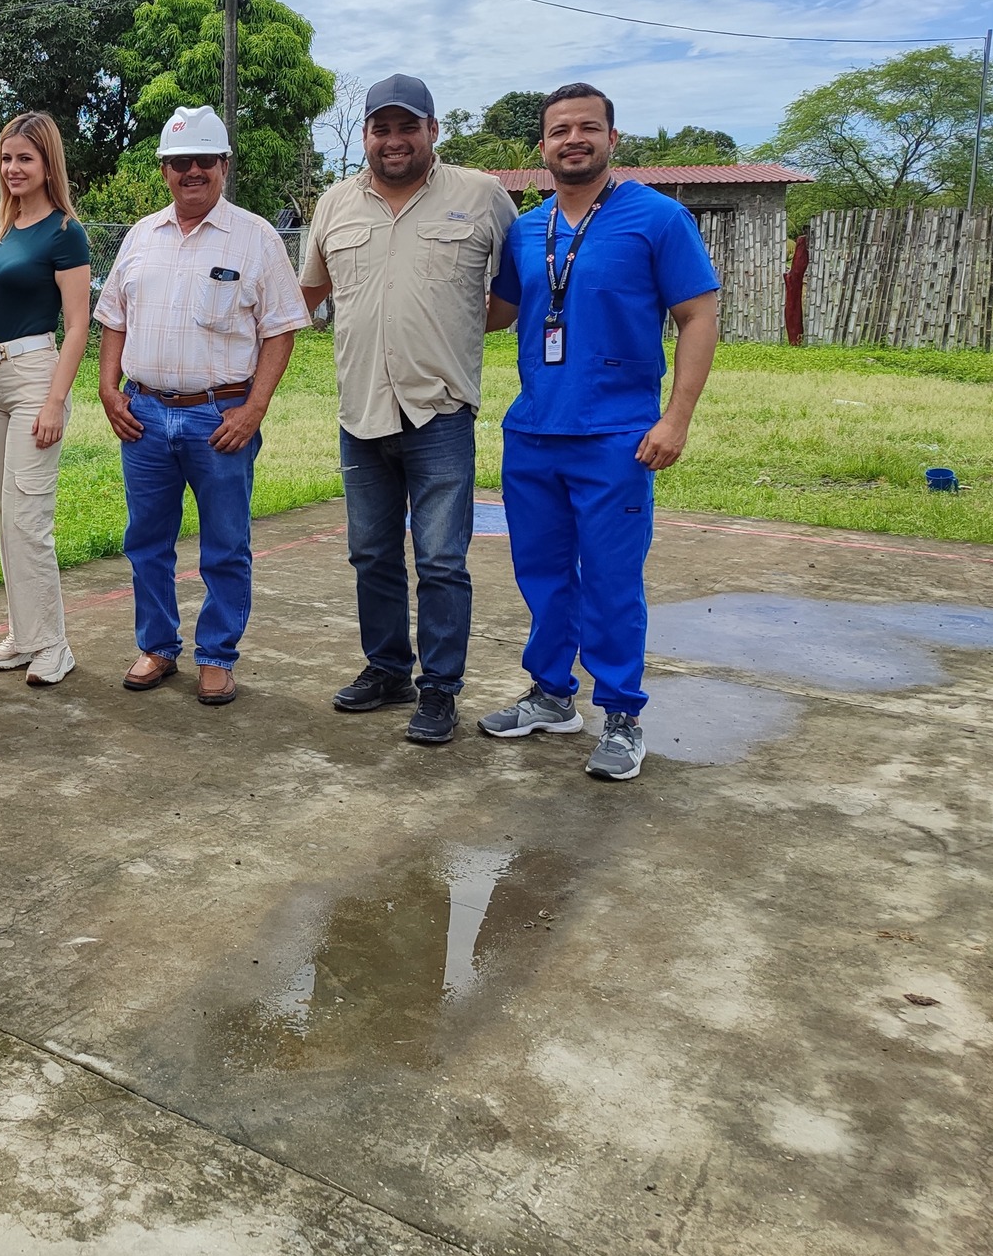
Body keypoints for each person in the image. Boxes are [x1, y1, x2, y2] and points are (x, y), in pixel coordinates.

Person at [479, 82, 721, 780]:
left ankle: (621, 715)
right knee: (542, 575)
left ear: (613, 138)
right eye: (560, 130)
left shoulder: (658, 218)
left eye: (588, 127)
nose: (574, 140)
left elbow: (698, 316)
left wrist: (676, 418)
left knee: (612, 580)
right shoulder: (527, 229)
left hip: (617, 435)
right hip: (534, 431)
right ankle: (552, 696)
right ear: (542, 146)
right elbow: (494, 314)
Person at [300, 74, 516, 745]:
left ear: (432, 131)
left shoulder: (481, 196)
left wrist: (449, 333)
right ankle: (388, 669)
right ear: (366, 135)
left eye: (407, 127)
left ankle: (440, 689)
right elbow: (307, 295)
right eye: (381, 128)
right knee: (371, 553)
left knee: (441, 559)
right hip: (360, 409)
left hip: (439, 411)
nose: (393, 140)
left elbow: (510, 300)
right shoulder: (335, 204)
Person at [94, 105, 311, 706]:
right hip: (143, 415)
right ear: (165, 169)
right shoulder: (141, 236)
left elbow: (281, 330)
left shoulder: (257, 237)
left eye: (205, 161)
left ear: (224, 165)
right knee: (146, 540)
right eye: (180, 161)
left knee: (225, 544)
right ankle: (157, 646)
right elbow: (113, 318)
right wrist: (108, 388)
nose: (193, 171)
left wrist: (254, 409)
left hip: (220, 417)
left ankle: (216, 656)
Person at [0, 112, 93, 687]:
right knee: (2, 512)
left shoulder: (65, 233)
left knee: (29, 516)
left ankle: (55, 645)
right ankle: (24, 634)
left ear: (47, 164)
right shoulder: (3, 226)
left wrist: (56, 401)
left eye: (25, 159)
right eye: (7, 158)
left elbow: (77, 325)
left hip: (36, 376)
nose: (13, 168)